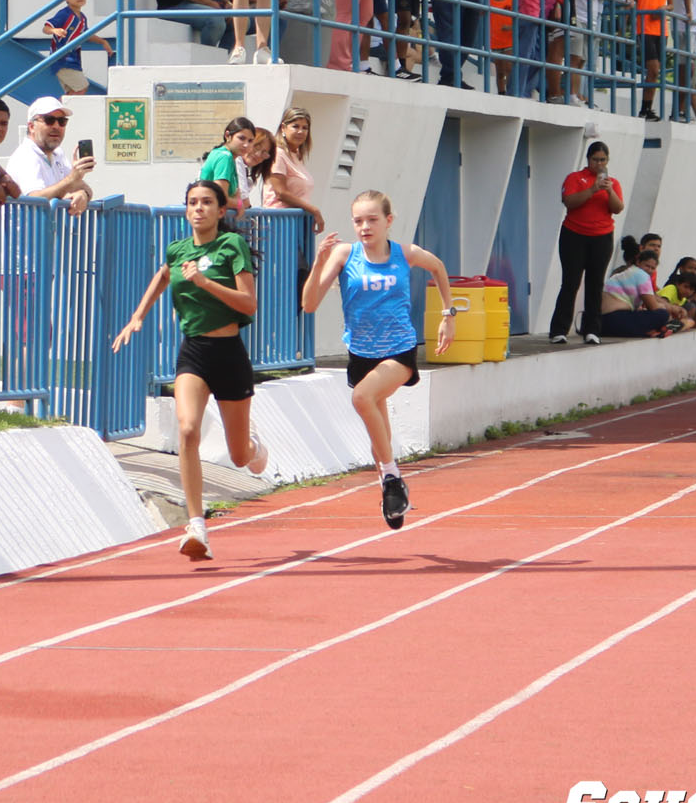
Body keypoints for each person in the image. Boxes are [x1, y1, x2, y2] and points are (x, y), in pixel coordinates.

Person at [112, 179, 267, 560]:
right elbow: (164, 275)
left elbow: (249, 304)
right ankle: (197, 525)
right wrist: (137, 316)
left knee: (239, 457)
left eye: (206, 203)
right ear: (186, 210)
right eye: (192, 203)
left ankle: (254, 445)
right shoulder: (178, 250)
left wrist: (204, 282)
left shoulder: (232, 247)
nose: (198, 209)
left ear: (219, 210)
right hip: (194, 352)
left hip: (229, 353)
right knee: (187, 429)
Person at [300, 190, 456, 529]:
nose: (365, 227)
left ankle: (390, 479)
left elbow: (439, 268)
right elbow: (309, 304)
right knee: (377, 434)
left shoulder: (405, 253)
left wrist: (448, 314)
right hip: (360, 353)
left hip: (398, 349)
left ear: (388, 221)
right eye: (358, 221)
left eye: (372, 220)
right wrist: (317, 263)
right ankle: (394, 488)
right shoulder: (344, 254)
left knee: (362, 397)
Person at [547, 140, 624, 345]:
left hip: (602, 236)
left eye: (603, 160)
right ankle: (559, 329)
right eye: (596, 159)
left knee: (595, 283)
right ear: (588, 159)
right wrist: (592, 189)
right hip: (574, 234)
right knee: (571, 282)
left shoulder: (613, 183)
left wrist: (608, 190)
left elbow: (617, 208)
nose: (599, 164)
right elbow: (569, 202)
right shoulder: (575, 178)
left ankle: (592, 330)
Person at [4, 96, 94, 213]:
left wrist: (82, 194)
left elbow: (85, 188)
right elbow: (35, 198)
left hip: (48, 229)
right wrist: (72, 179)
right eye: (49, 120)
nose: (56, 126)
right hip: (27, 230)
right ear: (32, 127)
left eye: (62, 121)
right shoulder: (26, 155)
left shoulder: (58, 154)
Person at [43, 0, 115, 96]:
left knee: (72, 91)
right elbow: (46, 28)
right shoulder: (64, 14)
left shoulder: (82, 18)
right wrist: (54, 30)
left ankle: (60, 112)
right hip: (62, 59)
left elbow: (86, 34)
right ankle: (57, 113)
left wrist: (102, 41)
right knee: (81, 87)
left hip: (74, 59)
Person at [568, 0, 618, 104]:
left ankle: (578, 95)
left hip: (593, 20)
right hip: (578, 15)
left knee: (583, 61)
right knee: (575, 58)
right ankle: (572, 94)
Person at [264, 105, 325, 229]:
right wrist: (313, 210)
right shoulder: (278, 154)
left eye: (305, 128)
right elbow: (281, 192)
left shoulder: (296, 155)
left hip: (295, 223)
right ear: (283, 128)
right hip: (279, 223)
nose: (300, 132)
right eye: (295, 126)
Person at [633, 0, 674, 120]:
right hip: (644, 28)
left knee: (655, 72)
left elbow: (672, 4)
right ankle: (645, 108)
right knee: (653, 68)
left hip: (661, 30)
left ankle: (646, 108)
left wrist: (664, 8)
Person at [600, 241, 670, 337]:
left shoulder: (628, 272)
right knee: (662, 314)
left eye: (652, 268)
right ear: (638, 262)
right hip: (613, 319)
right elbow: (653, 307)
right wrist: (663, 306)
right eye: (647, 266)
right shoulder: (641, 275)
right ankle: (648, 331)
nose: (649, 270)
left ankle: (647, 331)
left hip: (601, 322)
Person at [199, 116, 256, 213]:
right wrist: (239, 205)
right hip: (207, 219)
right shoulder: (225, 157)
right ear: (227, 136)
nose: (246, 145)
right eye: (241, 138)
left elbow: (235, 194)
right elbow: (221, 198)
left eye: (250, 141)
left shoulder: (229, 157)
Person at [487, 0, 514, 93]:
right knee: (499, 71)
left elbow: (520, 18)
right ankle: (501, 92)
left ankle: (510, 91)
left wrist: (511, 27)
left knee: (509, 67)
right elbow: (481, 12)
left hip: (509, 40)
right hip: (495, 40)